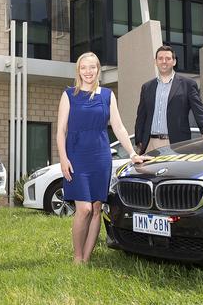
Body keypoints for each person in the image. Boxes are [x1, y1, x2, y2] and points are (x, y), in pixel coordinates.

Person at [57, 52, 150, 264]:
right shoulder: (69, 94)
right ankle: (77, 257)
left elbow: (117, 126)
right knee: (84, 208)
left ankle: (86, 258)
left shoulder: (107, 95)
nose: (88, 72)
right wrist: (63, 158)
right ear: (78, 71)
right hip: (77, 156)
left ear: (98, 70)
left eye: (92, 67)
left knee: (97, 208)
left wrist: (133, 153)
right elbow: (61, 130)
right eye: (83, 68)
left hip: (100, 157)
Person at [135, 45, 203, 154]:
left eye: (168, 58)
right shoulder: (147, 87)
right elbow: (141, 116)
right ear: (155, 62)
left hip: (176, 144)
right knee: (148, 171)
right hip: (150, 144)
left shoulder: (187, 84)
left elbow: (198, 110)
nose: (164, 61)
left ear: (174, 62)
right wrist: (139, 140)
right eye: (160, 58)